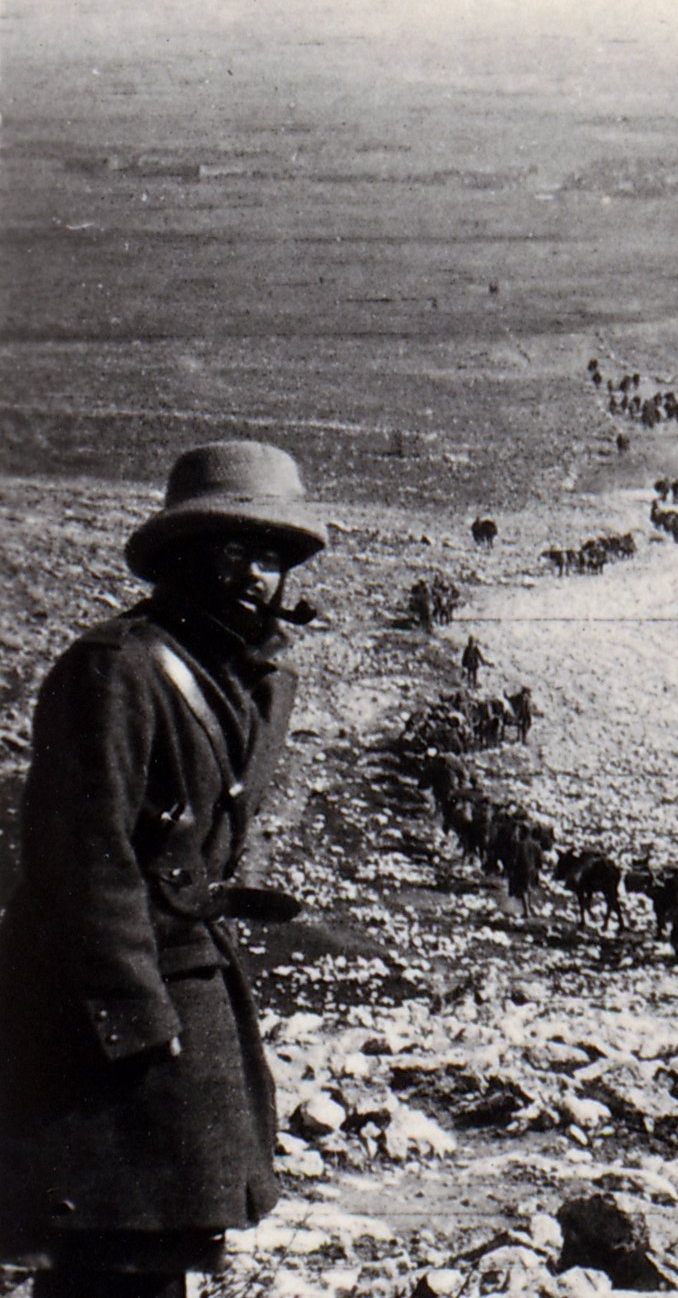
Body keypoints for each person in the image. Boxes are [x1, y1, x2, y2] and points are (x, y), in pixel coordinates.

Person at [0, 441, 327, 1297]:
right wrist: (139, 1019)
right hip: (103, 1012)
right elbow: (83, 860)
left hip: (185, 985)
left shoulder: (243, 678)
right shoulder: (118, 671)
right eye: (236, 551)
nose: (260, 576)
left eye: (273, 556)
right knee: (105, 1251)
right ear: (187, 555)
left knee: (158, 1249)